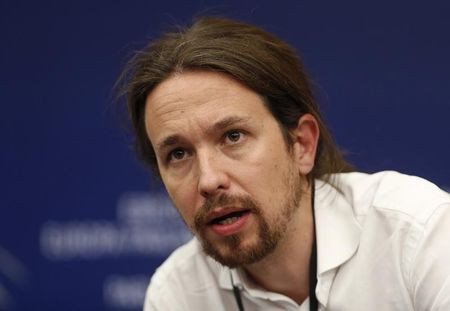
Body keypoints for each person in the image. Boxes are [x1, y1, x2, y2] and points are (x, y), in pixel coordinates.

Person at [117, 16, 450, 311]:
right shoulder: (178, 295)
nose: (208, 180)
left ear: (302, 145)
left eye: (233, 136)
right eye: (178, 154)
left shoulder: (418, 235)